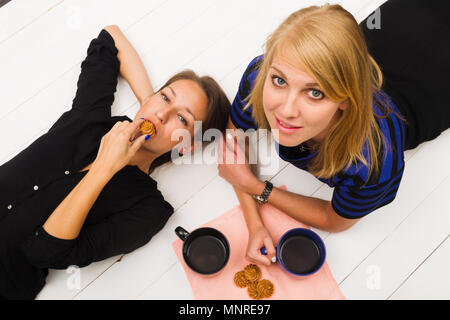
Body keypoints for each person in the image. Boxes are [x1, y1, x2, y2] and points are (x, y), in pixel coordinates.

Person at [0, 25, 230, 299]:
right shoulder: (92, 117)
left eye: (183, 119)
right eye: (165, 96)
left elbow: (44, 252)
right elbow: (110, 37)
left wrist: (104, 168)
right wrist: (150, 106)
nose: (163, 114)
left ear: (188, 145)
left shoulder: (148, 209)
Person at [218, 0, 450, 266]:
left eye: (315, 92)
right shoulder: (260, 77)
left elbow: (335, 220)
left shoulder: (372, 162)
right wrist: (254, 224)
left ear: (346, 99)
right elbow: (233, 143)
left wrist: (258, 187)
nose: (286, 110)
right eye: (280, 81)